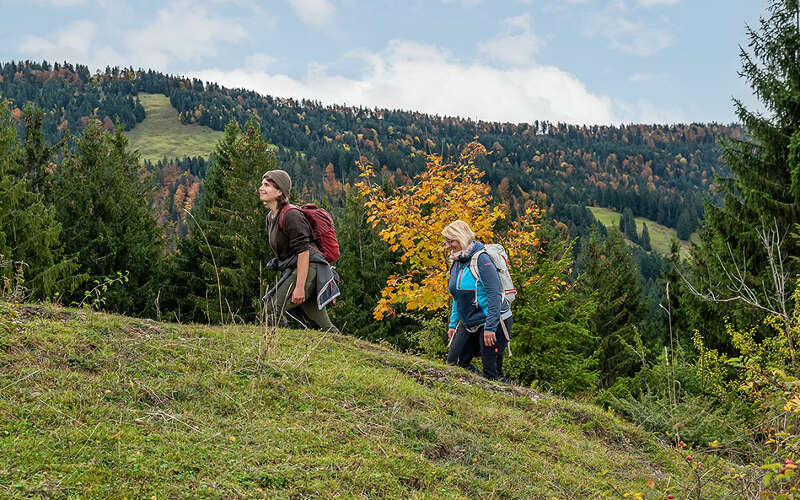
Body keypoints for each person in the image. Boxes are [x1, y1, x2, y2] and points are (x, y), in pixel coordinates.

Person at [259, 169, 339, 332]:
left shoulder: (291, 216)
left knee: (272, 309)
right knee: (321, 325)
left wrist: (300, 287)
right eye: (262, 184)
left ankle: (277, 348)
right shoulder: (271, 217)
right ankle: (345, 350)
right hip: (298, 269)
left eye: (266, 185)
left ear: (279, 191)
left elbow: (304, 253)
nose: (261, 188)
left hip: (310, 268)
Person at [443, 220, 512, 380]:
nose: (448, 245)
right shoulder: (456, 261)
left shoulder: (481, 260)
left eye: (451, 241)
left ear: (461, 237)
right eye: (446, 242)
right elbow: (457, 296)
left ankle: (503, 398)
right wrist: (453, 324)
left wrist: (490, 327)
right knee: (455, 361)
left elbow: (494, 295)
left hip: (493, 320)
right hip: (470, 322)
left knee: (492, 371)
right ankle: (479, 389)